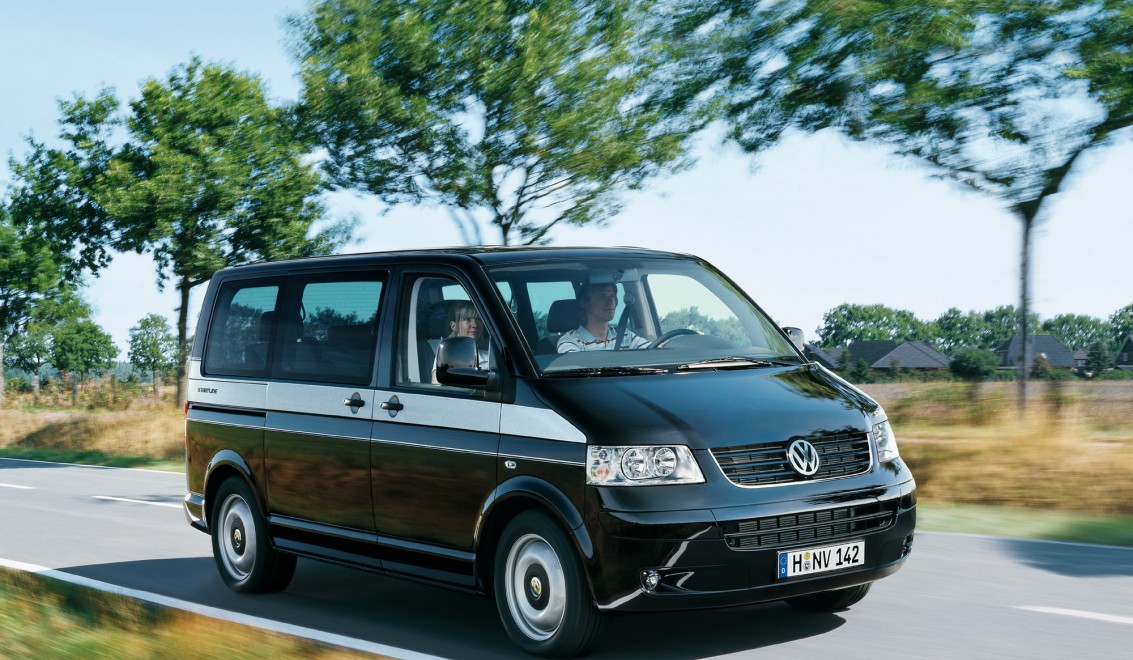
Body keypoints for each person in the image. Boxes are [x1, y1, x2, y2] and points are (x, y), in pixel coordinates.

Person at [557, 282, 651, 352]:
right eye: (602, 297)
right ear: (584, 303)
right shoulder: (570, 341)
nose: (610, 301)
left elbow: (653, 351)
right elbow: (579, 371)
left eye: (612, 296)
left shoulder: (624, 335)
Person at [432, 301, 490, 383]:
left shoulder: (490, 357)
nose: (475, 325)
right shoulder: (445, 356)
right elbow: (438, 387)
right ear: (454, 326)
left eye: (478, 319)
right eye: (467, 319)